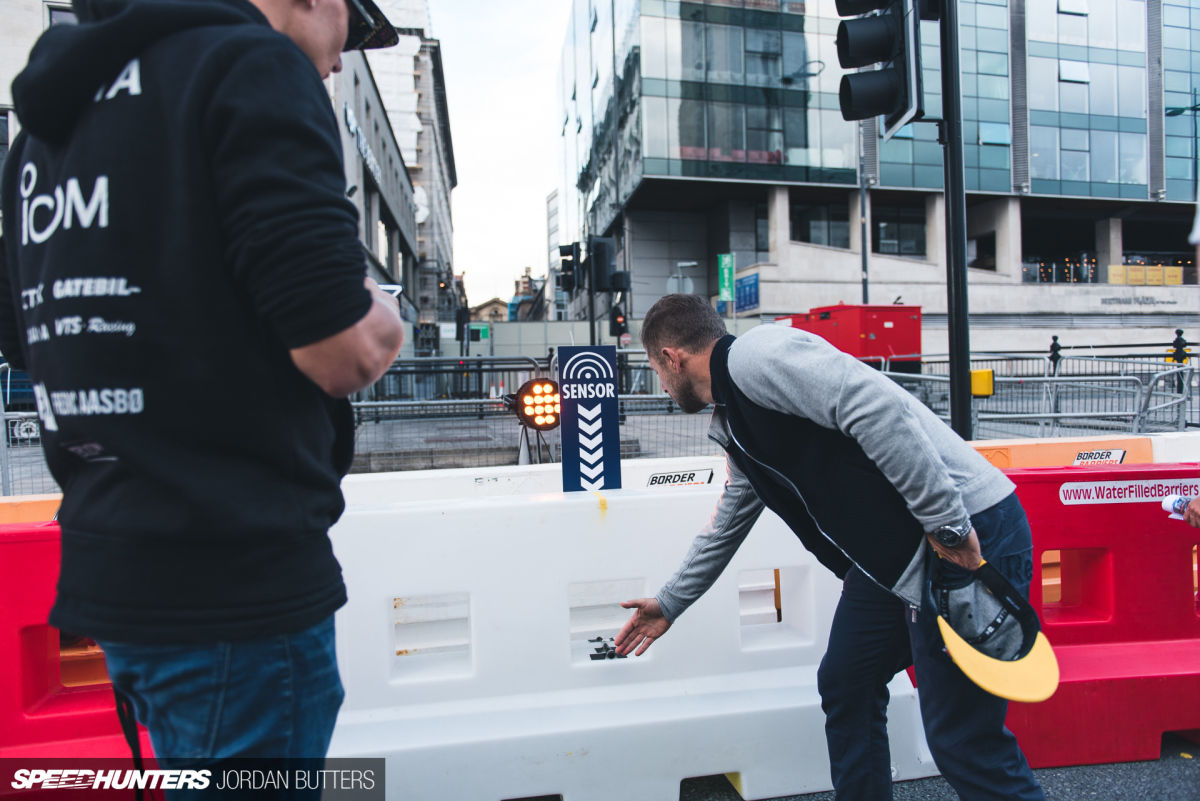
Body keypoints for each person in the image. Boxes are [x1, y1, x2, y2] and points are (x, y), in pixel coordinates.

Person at [0, 0, 404, 779]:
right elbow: (342, 351)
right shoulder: (250, 66)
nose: (336, 65)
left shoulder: (45, 124)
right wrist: (385, 310)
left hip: (112, 571)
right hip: (236, 580)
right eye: (346, 40)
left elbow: (22, 334)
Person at [614, 295, 1047, 801]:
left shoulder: (758, 357)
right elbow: (728, 520)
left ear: (671, 357)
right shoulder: (737, 423)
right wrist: (670, 602)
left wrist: (949, 529)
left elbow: (875, 406)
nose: (661, 388)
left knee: (963, 741)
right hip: (896, 561)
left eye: (655, 372)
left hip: (964, 533)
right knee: (848, 683)